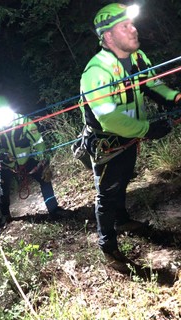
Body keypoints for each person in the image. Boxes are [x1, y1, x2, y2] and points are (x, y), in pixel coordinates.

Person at [79, 3, 181, 271]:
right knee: (106, 194)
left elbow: (152, 83)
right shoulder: (96, 72)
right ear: (109, 37)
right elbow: (109, 118)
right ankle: (108, 246)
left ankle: (122, 220)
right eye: (124, 26)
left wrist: (174, 98)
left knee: (123, 180)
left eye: (132, 24)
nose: (133, 29)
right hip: (107, 144)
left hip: (130, 137)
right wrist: (147, 129)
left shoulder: (137, 58)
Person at [0, 95, 64, 228]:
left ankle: (53, 209)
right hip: (6, 164)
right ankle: (5, 216)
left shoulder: (23, 121)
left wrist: (42, 160)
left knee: (45, 180)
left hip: (27, 160)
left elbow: (38, 142)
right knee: (3, 190)